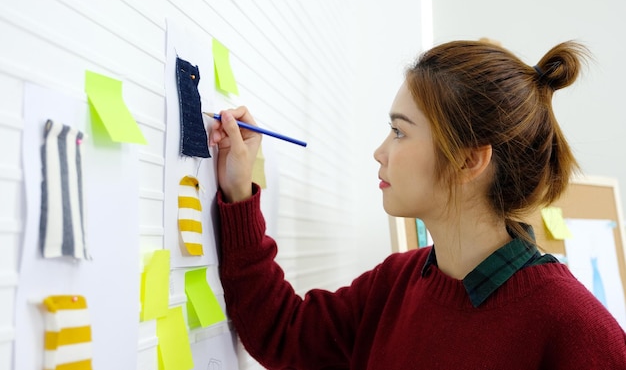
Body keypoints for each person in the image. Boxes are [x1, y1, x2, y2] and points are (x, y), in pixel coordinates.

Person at [209, 40, 626, 369]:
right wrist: (238, 193)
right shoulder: (395, 283)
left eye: (399, 131)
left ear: (468, 160)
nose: (380, 151)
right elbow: (283, 333)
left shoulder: (576, 329)